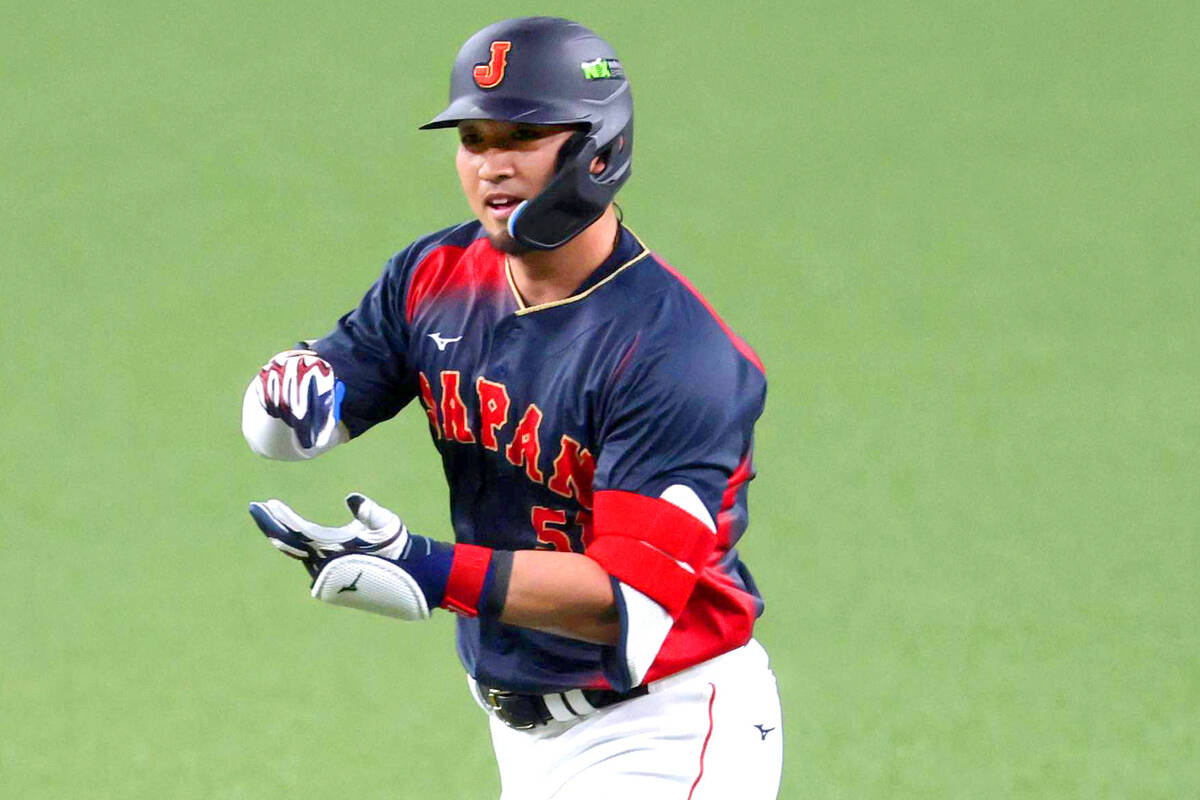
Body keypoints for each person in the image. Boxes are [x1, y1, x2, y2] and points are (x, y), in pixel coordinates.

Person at [242, 16, 782, 799]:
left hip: (665, 727)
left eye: (521, 137)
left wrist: (425, 570)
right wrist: (284, 403)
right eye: (474, 139)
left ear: (598, 144)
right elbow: (305, 413)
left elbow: (623, 600)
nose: (491, 166)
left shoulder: (675, 355)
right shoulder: (437, 275)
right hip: (524, 738)